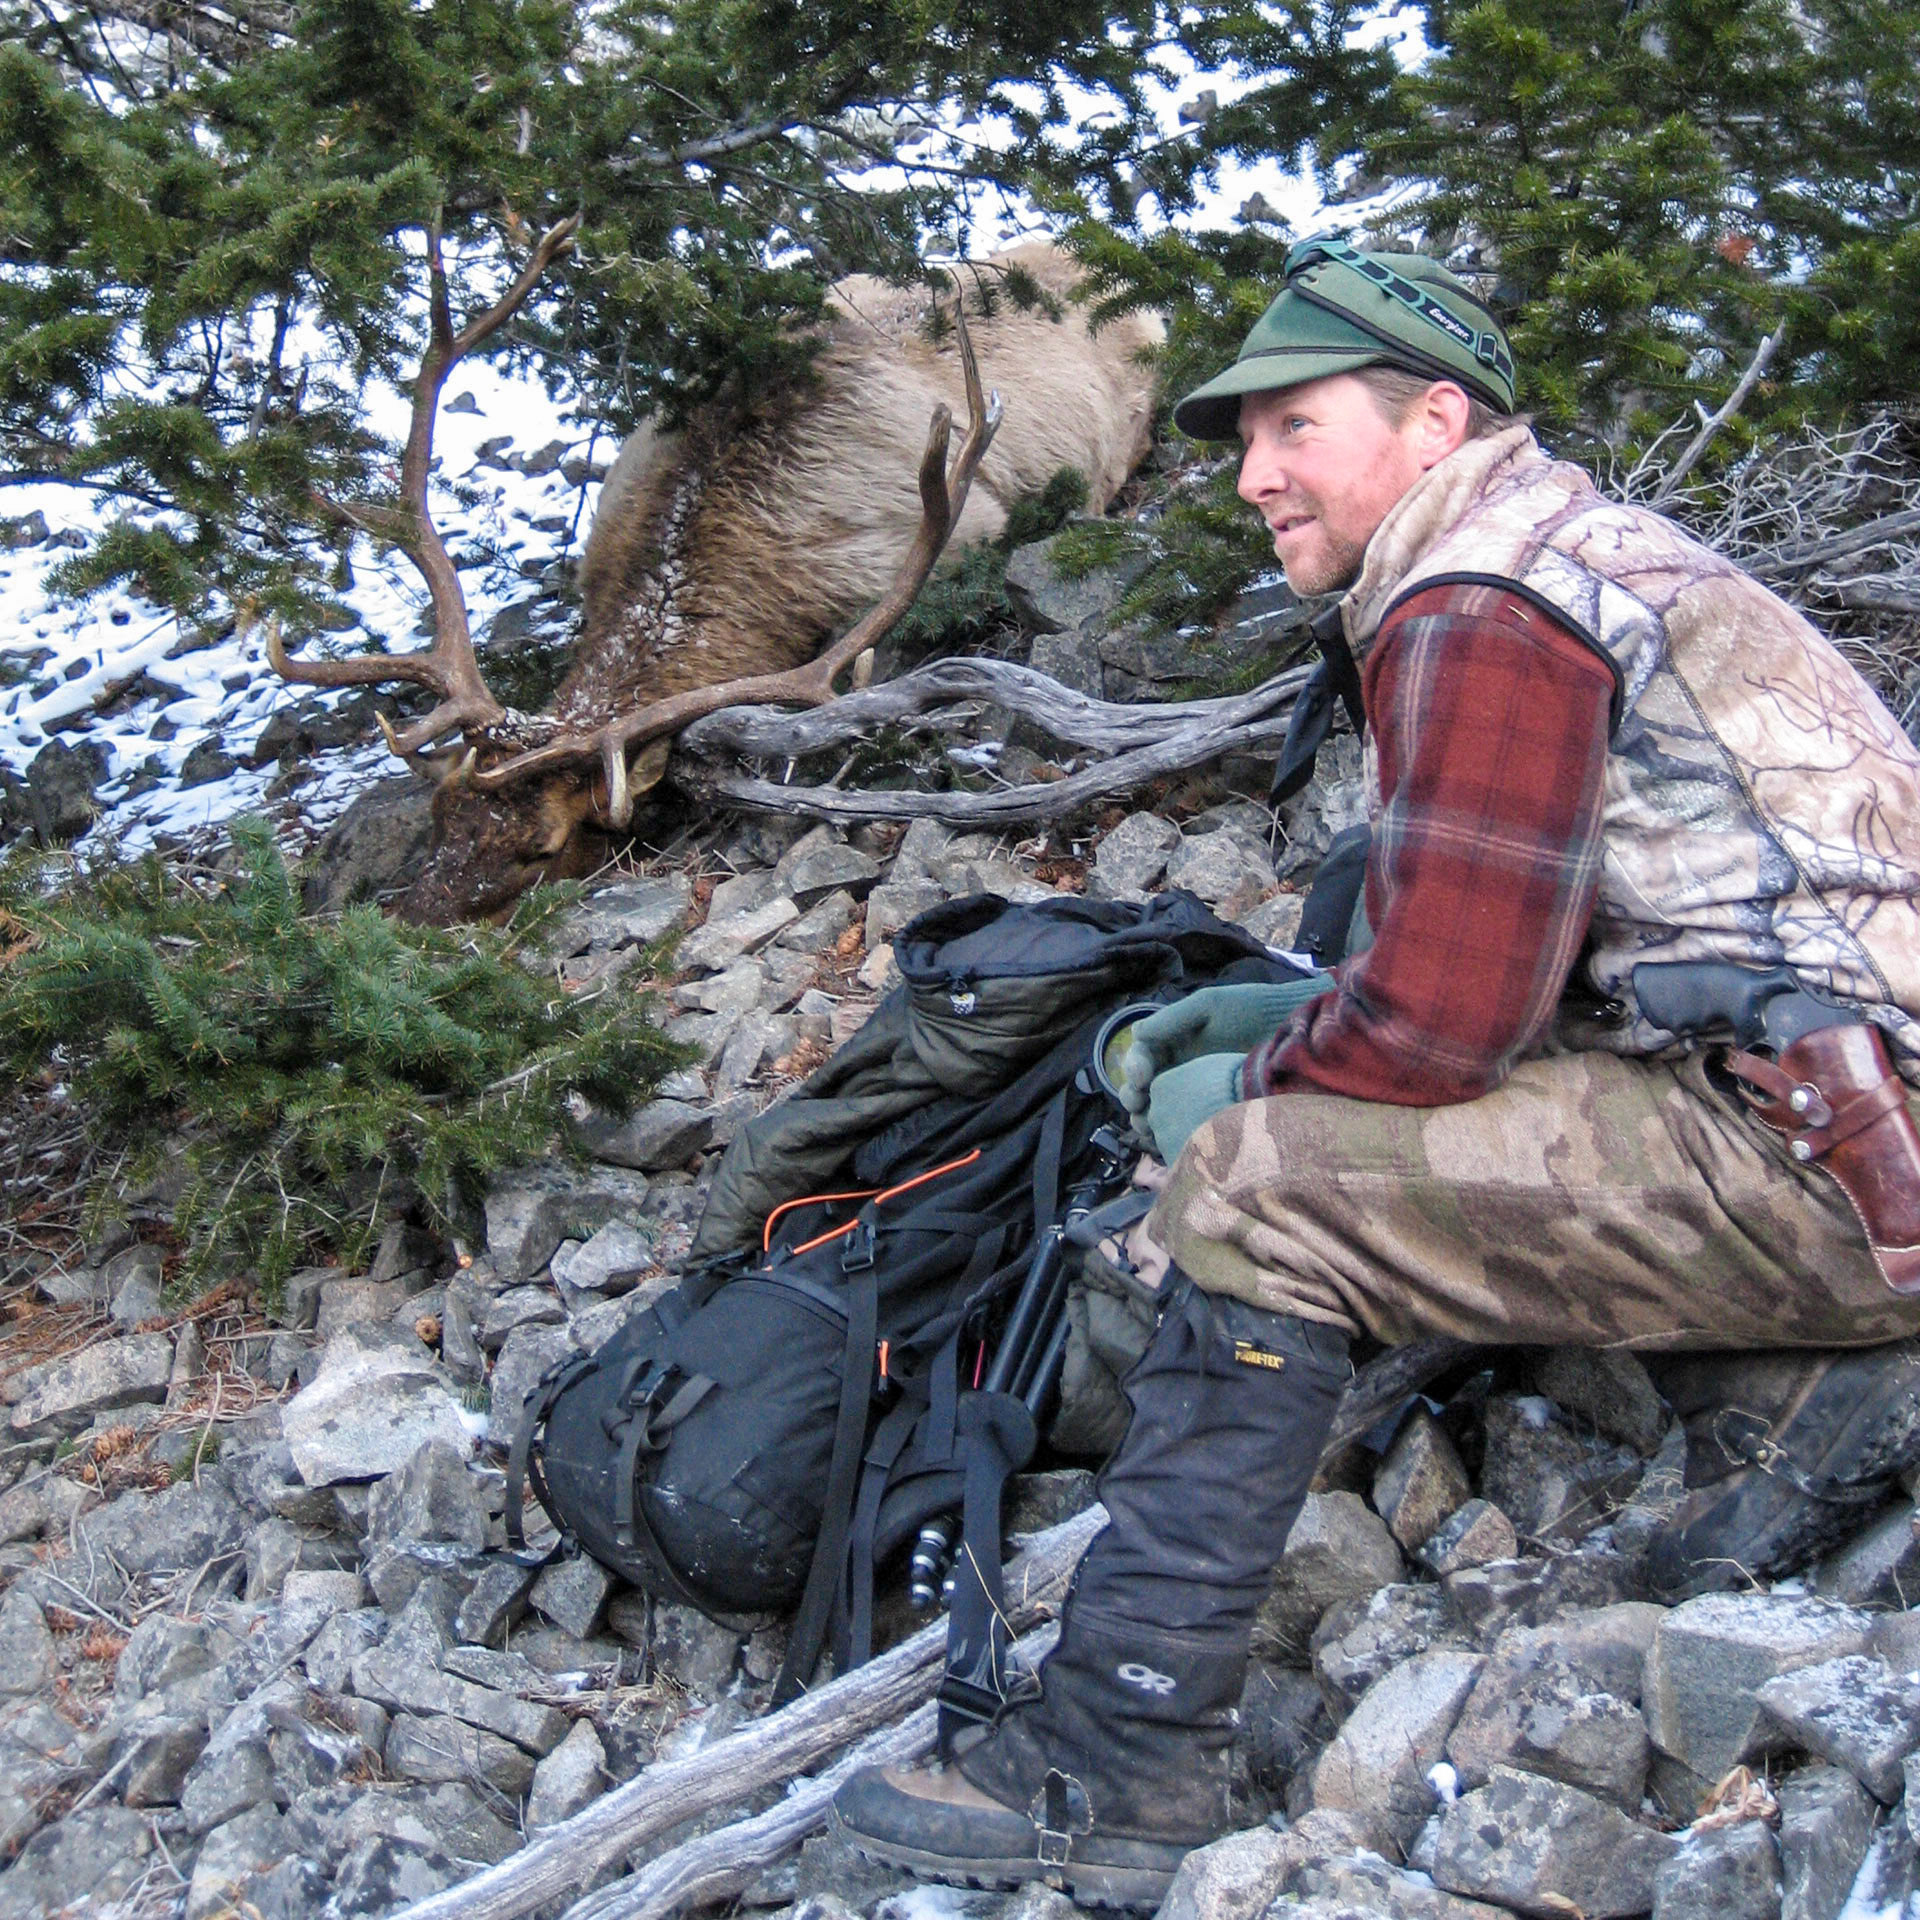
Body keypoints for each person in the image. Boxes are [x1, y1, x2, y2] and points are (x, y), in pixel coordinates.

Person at [831, 241, 1920, 1903]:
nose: (1253, 475)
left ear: (1432, 417)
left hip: (1834, 1162)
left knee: (1262, 1194)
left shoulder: (1482, 595)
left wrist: (1255, 1098)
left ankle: (1114, 1755)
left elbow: (1436, 1024)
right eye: (1242, 440)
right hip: (1844, 1106)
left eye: (1295, 429)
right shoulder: (1575, 548)